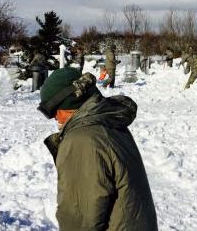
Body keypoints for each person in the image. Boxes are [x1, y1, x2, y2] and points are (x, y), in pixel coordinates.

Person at [37, 67, 158, 231]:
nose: (54, 117)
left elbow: (80, 218)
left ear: (71, 103)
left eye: (52, 110)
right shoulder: (108, 121)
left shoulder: (83, 139)